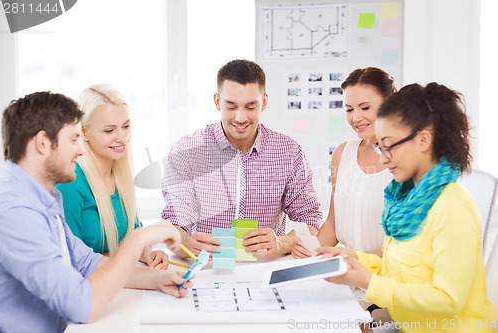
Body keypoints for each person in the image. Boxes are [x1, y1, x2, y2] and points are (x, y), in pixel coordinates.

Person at [0, 91, 191, 333]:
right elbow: (82, 305)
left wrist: (157, 280)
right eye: (73, 140)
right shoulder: (15, 211)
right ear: (43, 143)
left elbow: (88, 263)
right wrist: (138, 238)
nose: (80, 151)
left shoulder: (44, 198)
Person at [319, 82, 496, 332]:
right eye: (380, 146)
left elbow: (448, 299)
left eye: (389, 145)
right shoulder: (406, 202)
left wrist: (368, 282)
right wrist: (355, 259)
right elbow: (401, 272)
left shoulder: (453, 206)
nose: (382, 157)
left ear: (423, 140)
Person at [161, 59, 322, 258]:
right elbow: (172, 225)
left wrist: (283, 242)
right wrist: (186, 242)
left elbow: (310, 219)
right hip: (206, 270)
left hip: (266, 269)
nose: (240, 118)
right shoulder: (186, 151)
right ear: (217, 101)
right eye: (231, 106)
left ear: (264, 102)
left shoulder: (289, 152)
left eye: (250, 107)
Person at [56, 84, 166, 267]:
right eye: (109, 130)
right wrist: (127, 258)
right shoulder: (70, 183)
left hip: (120, 285)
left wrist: (147, 253)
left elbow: (133, 233)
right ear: (84, 132)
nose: (122, 137)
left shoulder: (120, 174)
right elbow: (73, 261)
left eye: (126, 126)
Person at [292, 67, 395, 259]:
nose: (355, 118)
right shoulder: (343, 153)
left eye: (365, 108)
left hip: (386, 279)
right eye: (349, 109)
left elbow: (409, 247)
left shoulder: (407, 161)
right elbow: (333, 222)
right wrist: (311, 250)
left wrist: (354, 260)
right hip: (346, 277)